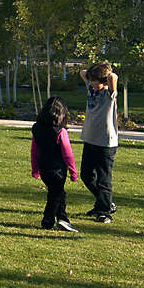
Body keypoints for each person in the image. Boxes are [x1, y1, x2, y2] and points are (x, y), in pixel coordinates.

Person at [30, 97, 79, 233]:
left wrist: (35, 169)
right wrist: (73, 171)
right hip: (57, 170)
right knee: (55, 195)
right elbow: (67, 154)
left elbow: (34, 151)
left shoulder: (37, 129)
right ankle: (48, 220)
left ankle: (63, 218)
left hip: (43, 168)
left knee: (58, 192)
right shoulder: (60, 132)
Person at [80, 62, 119, 223]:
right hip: (89, 140)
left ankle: (104, 212)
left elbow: (113, 77)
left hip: (105, 143)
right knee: (86, 175)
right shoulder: (91, 90)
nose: (91, 84)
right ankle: (106, 202)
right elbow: (83, 72)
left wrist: (106, 75)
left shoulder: (109, 94)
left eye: (94, 81)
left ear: (102, 80)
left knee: (104, 179)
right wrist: (92, 76)